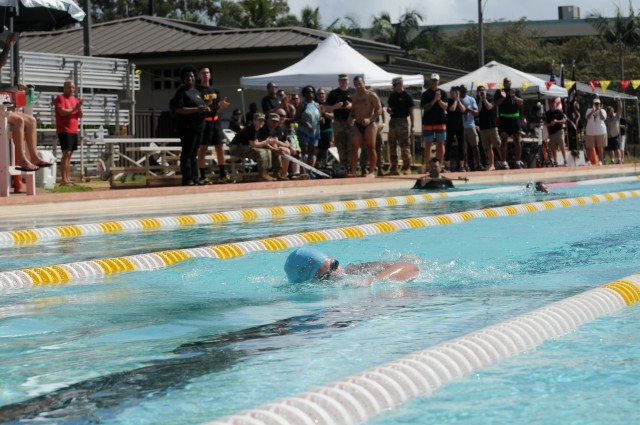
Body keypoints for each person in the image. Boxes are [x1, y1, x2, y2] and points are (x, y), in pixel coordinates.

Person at [1, 33, 53, 173]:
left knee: (31, 120)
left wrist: (17, 88)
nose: (4, 63)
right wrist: (7, 46)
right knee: (19, 120)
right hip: (1, 112)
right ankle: (21, 159)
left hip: (2, 111)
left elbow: (3, 95)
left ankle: (34, 157)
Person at [284, 247, 420, 285]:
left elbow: (411, 268)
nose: (338, 272)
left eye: (335, 265)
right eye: (326, 277)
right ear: (312, 281)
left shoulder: (355, 271)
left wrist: (374, 281)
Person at [172, 65, 209, 186]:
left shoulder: (196, 91)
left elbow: (201, 105)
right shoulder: (181, 91)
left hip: (199, 127)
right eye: (188, 76)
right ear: (183, 78)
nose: (190, 78)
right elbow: (179, 109)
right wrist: (196, 109)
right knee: (187, 153)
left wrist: (205, 109)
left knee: (194, 154)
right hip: (187, 127)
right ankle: (187, 179)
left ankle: (195, 178)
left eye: (192, 76)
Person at [196, 67, 230, 184]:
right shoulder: (197, 90)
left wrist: (222, 105)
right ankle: (202, 176)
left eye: (207, 72)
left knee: (220, 148)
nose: (205, 75)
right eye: (203, 73)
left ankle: (222, 175)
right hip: (204, 122)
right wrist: (207, 104)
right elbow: (198, 108)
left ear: (210, 75)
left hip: (216, 121)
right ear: (199, 76)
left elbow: (217, 109)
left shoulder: (215, 89)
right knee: (203, 149)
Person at [348, 76, 383, 178]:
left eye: (359, 84)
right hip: (358, 124)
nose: (358, 86)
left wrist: (370, 119)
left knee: (371, 147)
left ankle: (372, 172)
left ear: (363, 82)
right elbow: (353, 110)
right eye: (356, 84)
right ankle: (353, 171)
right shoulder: (354, 97)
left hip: (370, 124)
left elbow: (379, 110)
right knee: (354, 147)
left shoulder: (371, 95)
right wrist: (350, 118)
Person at [228, 112, 275, 182]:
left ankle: (266, 173)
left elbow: (256, 143)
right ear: (254, 121)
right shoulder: (251, 128)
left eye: (263, 120)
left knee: (267, 151)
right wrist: (267, 142)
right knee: (261, 152)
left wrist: (267, 141)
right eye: (259, 120)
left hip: (243, 147)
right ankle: (262, 175)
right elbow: (254, 145)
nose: (261, 122)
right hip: (235, 148)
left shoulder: (256, 129)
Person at [54, 79, 84, 186]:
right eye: (68, 87)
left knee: (69, 155)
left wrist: (79, 106)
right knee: (66, 153)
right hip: (64, 129)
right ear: (64, 88)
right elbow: (62, 112)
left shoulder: (75, 100)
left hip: (73, 129)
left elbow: (80, 115)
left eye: (72, 87)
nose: (71, 89)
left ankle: (67, 178)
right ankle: (63, 179)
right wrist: (75, 108)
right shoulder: (60, 98)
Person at [325, 73, 356, 173]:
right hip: (338, 121)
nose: (344, 82)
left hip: (351, 121)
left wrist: (351, 106)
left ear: (348, 81)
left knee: (351, 145)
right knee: (340, 145)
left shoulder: (353, 92)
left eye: (345, 80)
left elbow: (361, 105)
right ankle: (343, 167)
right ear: (339, 81)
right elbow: (326, 107)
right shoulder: (333, 93)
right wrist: (335, 106)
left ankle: (352, 168)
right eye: (342, 80)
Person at [386, 76, 414, 175]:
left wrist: (412, 126)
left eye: (394, 85)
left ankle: (407, 167)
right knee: (392, 145)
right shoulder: (392, 96)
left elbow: (411, 112)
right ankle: (394, 168)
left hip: (402, 122)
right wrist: (388, 110)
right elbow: (388, 107)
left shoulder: (407, 96)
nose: (393, 87)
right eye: (393, 85)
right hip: (393, 121)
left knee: (404, 145)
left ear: (400, 84)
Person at [494, 77, 524, 168]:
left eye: (508, 81)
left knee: (517, 141)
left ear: (511, 82)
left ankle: (518, 161)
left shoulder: (516, 91)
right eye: (505, 81)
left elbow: (521, 103)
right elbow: (496, 104)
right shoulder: (499, 91)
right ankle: (504, 162)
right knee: (503, 141)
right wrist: (503, 97)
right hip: (504, 119)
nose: (507, 83)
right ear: (503, 83)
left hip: (515, 119)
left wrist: (513, 97)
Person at [420, 73, 448, 170]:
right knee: (428, 145)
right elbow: (425, 108)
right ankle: (428, 166)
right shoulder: (425, 94)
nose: (434, 82)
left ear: (438, 82)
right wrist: (434, 100)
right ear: (430, 81)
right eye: (432, 80)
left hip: (440, 121)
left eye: (436, 81)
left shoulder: (443, 93)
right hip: (428, 122)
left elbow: (445, 106)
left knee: (440, 144)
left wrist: (439, 100)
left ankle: (439, 165)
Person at [476, 84, 505, 171]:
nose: (482, 92)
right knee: (488, 147)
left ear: (485, 91)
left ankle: (504, 162)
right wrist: (481, 100)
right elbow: (478, 110)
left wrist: (484, 99)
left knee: (498, 145)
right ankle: (492, 165)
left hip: (492, 126)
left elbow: (489, 107)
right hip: (483, 127)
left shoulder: (491, 98)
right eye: (480, 91)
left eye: (483, 90)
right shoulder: (477, 100)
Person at [259, 112, 291, 180]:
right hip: (259, 146)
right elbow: (263, 143)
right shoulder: (263, 128)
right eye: (273, 121)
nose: (274, 123)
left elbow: (274, 141)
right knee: (269, 152)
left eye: (276, 122)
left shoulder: (273, 129)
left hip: (268, 147)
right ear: (268, 120)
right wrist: (275, 149)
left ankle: (279, 174)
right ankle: (266, 174)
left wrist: (276, 148)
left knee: (282, 151)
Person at [295, 85, 321, 169]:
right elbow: (296, 118)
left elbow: (319, 117)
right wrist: (306, 124)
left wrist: (322, 119)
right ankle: (303, 169)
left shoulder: (317, 105)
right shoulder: (302, 105)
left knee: (312, 152)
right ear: (304, 94)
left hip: (314, 132)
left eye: (312, 92)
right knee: (304, 151)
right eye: (308, 92)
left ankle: (310, 170)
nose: (310, 94)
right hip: (304, 132)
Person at [459, 85, 484, 171]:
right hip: (461, 127)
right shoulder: (457, 100)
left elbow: (476, 113)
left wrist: (469, 110)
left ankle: (478, 164)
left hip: (471, 125)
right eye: (462, 91)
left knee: (475, 146)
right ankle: (465, 165)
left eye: (465, 91)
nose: (463, 93)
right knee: (463, 148)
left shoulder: (471, 99)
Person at [445, 86, 466, 171]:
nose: (456, 94)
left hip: (459, 126)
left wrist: (458, 100)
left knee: (461, 146)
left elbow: (463, 110)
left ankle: (462, 166)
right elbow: (452, 109)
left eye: (457, 92)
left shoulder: (460, 101)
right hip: (450, 125)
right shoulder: (448, 101)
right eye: (454, 92)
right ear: (451, 93)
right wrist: (455, 101)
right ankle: (447, 165)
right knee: (448, 145)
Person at [544, 97, 567, 167]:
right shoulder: (547, 114)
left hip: (559, 131)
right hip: (551, 133)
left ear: (555, 104)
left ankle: (565, 160)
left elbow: (564, 121)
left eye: (553, 103)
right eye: (550, 104)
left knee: (562, 146)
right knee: (553, 148)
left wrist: (557, 121)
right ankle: (555, 162)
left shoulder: (558, 112)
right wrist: (550, 124)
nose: (551, 105)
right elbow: (545, 124)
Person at [585, 97, 607, 165]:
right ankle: (588, 161)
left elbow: (603, 118)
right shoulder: (589, 110)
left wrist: (599, 110)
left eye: (598, 104)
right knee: (590, 147)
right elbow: (587, 117)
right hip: (590, 131)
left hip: (600, 131)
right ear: (593, 104)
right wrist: (592, 111)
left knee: (600, 147)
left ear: (600, 104)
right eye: (595, 103)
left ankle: (600, 161)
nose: (596, 105)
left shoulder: (602, 110)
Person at [316, 88, 333, 167]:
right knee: (317, 148)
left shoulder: (329, 104)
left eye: (323, 93)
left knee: (325, 149)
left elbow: (333, 116)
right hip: (316, 130)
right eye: (319, 94)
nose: (321, 95)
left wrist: (324, 113)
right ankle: (316, 165)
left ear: (325, 95)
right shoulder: (314, 104)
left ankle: (324, 165)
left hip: (326, 130)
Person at [604, 97, 623, 165]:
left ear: (613, 110)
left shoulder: (616, 116)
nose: (609, 112)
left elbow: (620, 109)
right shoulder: (607, 119)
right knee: (610, 149)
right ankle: (612, 160)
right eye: (608, 111)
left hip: (615, 135)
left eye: (610, 110)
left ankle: (619, 160)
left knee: (617, 148)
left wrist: (619, 100)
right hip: (609, 136)